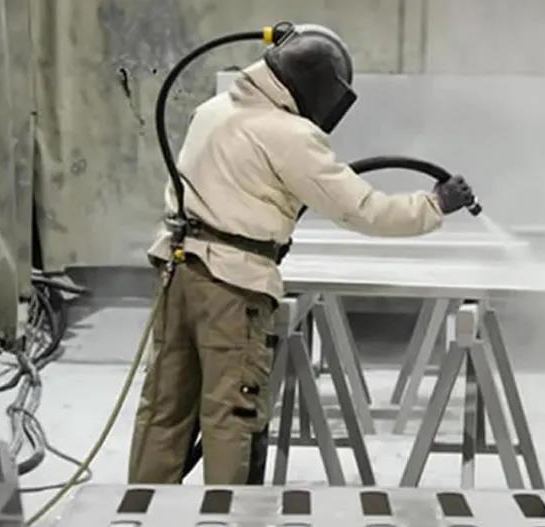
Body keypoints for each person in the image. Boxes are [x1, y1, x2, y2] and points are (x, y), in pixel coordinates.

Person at [128, 24, 476, 485]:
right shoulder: (289, 134)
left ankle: (140, 510)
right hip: (232, 286)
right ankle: (224, 515)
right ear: (319, 90)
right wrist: (435, 205)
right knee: (231, 414)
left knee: (164, 408)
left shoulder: (213, 110)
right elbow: (364, 210)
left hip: (177, 272)